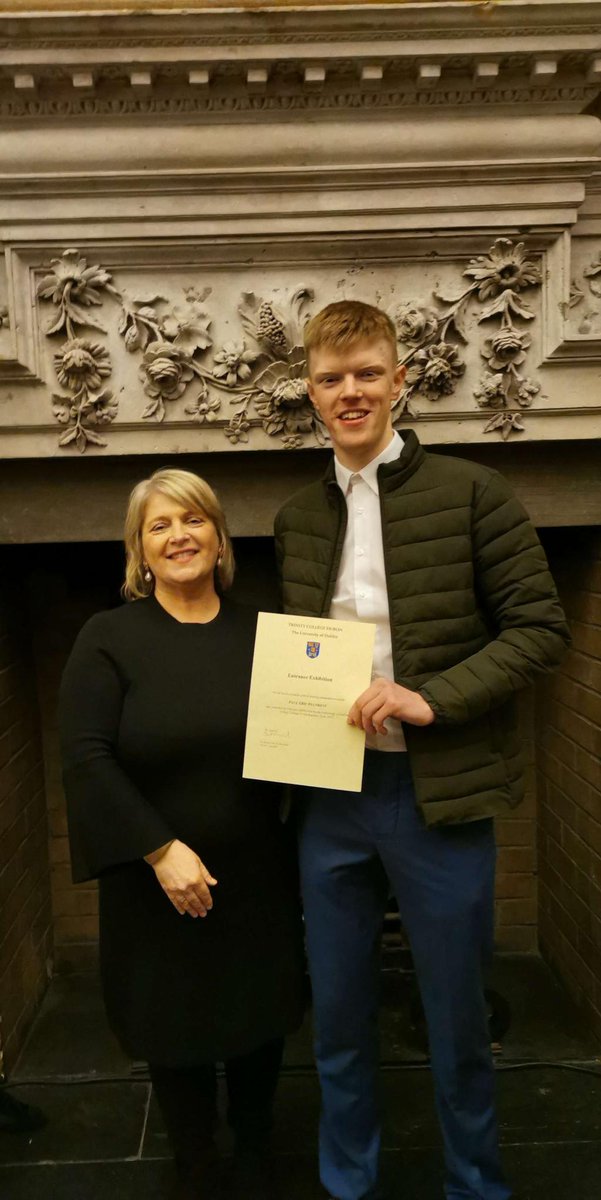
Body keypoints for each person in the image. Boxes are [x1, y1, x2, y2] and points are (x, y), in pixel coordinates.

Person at [274, 300, 570, 1200]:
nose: (350, 392)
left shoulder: (474, 492)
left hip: (436, 798)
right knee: (338, 1017)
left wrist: (430, 698)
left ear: (400, 379)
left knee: (453, 1016)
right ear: (310, 394)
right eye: (331, 379)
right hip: (330, 798)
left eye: (367, 372)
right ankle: (348, 1182)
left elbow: (538, 628)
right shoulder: (295, 515)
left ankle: (473, 1184)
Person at [59, 468, 305, 1200]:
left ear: (219, 538)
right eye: (159, 526)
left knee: (258, 1019)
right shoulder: (108, 638)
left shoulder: (267, 634)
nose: (178, 537)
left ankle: (257, 1153)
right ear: (139, 550)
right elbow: (85, 755)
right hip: (154, 877)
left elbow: (301, 737)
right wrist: (161, 850)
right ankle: (194, 1160)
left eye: (192, 520)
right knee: (174, 1025)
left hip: (256, 866)